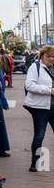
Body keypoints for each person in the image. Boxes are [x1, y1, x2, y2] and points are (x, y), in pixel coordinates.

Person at [25, 44, 54, 172]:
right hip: (40, 108)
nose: (51, 59)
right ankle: (34, 163)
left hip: (53, 107)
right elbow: (29, 85)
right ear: (42, 55)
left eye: (53, 56)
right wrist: (49, 90)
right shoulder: (35, 67)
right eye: (49, 56)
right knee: (39, 135)